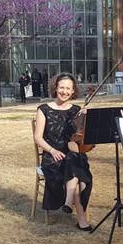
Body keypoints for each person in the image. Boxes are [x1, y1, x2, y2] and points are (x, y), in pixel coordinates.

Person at [34, 73, 94, 230]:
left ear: (73, 90)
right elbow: (38, 138)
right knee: (76, 172)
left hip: (73, 155)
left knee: (74, 159)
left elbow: (81, 140)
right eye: (62, 87)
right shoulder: (44, 109)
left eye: (68, 88)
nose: (64, 91)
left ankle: (68, 202)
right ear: (55, 88)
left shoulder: (77, 110)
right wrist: (52, 150)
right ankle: (82, 221)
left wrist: (85, 120)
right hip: (53, 157)